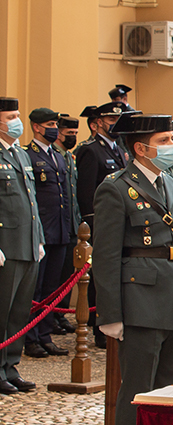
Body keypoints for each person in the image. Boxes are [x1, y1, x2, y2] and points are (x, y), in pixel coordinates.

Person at [90, 114, 173, 425]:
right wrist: (110, 314)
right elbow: (107, 255)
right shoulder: (115, 189)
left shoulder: (172, 179)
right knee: (137, 394)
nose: (172, 144)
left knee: (169, 393)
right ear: (140, 149)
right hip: (140, 301)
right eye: (164, 139)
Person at [0, 97, 45, 396]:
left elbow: (31, 202)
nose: (16, 121)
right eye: (11, 116)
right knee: (2, 311)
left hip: (27, 242)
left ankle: (11, 366)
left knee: (19, 311)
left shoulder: (21, 154)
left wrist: (38, 237)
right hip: (6, 245)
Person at [75, 102, 129, 347]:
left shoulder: (118, 149)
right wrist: (91, 225)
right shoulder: (90, 150)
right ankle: (99, 329)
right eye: (110, 119)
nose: (114, 124)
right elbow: (86, 194)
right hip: (99, 224)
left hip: (119, 222)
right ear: (96, 123)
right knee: (100, 277)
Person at [23, 108, 72, 357]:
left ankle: (45, 334)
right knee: (36, 289)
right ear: (37, 127)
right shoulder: (27, 155)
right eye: (50, 124)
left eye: (55, 123)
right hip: (42, 230)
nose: (54, 128)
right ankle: (30, 337)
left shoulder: (58, 156)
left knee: (53, 287)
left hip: (61, 230)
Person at [54, 114, 82, 336]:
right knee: (50, 279)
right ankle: (49, 317)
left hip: (71, 225)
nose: (72, 137)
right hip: (54, 227)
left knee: (66, 274)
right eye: (68, 134)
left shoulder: (69, 157)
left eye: (75, 134)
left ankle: (59, 314)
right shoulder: (54, 156)